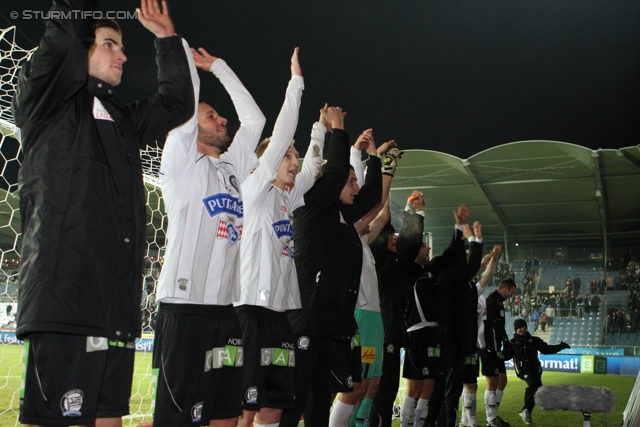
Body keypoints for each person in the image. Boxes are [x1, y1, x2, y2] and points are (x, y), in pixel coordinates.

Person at [13, 1, 193, 425]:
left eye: (122, 46)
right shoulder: (48, 99)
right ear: (80, 48)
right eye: (110, 44)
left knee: (108, 418)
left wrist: (167, 41)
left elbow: (176, 105)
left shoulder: (123, 119)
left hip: (116, 308)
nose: (123, 55)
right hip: (65, 305)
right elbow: (63, 34)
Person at [153, 30, 267, 426]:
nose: (223, 120)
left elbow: (255, 119)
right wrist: (178, 51)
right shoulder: (182, 163)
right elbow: (186, 107)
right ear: (192, 127)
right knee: (182, 418)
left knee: (226, 415)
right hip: (183, 313)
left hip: (225, 313)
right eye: (212, 117)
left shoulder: (231, 166)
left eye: (220, 115)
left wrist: (218, 67)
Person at [280, 106, 385, 427]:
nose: (354, 187)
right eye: (350, 182)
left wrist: (374, 160)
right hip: (306, 320)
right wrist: (337, 130)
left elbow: (372, 199)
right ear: (330, 185)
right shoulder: (311, 207)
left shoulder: (341, 214)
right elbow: (336, 171)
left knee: (319, 405)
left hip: (331, 324)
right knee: (294, 403)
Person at [236, 48, 324, 427]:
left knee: (274, 404)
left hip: (281, 316)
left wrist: (320, 130)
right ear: (268, 162)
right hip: (249, 313)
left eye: (294, 156)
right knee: (245, 405)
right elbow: (282, 134)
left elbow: (315, 168)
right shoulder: (254, 191)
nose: (294, 162)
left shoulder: (288, 198)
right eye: (288, 156)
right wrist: (296, 85)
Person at [460, 245, 502, 427]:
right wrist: (482, 262)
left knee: (470, 385)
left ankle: (467, 422)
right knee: (460, 386)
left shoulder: (478, 295)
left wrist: (492, 260)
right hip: (458, 342)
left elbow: (485, 278)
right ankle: (470, 422)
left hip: (471, 345)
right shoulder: (458, 289)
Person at [510, 319, 570, 424]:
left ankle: (527, 413)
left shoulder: (534, 340)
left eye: (524, 327)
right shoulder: (512, 342)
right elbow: (506, 355)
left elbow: (547, 349)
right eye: (520, 328)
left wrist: (561, 346)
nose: (522, 329)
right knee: (533, 384)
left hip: (535, 370)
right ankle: (525, 410)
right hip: (523, 370)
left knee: (538, 391)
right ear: (516, 329)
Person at [481, 278, 518, 427]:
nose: (512, 295)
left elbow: (499, 326)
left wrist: (506, 340)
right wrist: (487, 347)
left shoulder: (499, 302)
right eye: (512, 292)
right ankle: (490, 419)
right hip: (491, 348)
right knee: (493, 382)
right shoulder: (490, 301)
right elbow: (486, 326)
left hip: (498, 347)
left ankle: (494, 415)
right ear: (506, 289)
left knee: (502, 380)